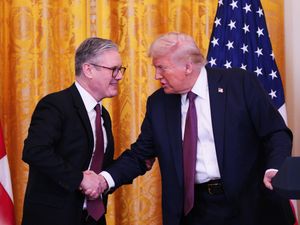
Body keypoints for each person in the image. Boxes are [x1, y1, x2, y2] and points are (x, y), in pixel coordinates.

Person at [99, 32, 293, 225]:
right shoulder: (159, 103)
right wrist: (104, 180)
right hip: (196, 211)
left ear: (187, 66)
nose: (157, 76)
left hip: (251, 206)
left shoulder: (239, 83)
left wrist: (274, 168)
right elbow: (140, 156)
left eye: (161, 68)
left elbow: (276, 133)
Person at [21, 37, 127, 225]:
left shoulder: (103, 114)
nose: (119, 76)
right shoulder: (55, 105)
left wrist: (139, 159)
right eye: (114, 69)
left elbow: (99, 166)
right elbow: (35, 151)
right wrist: (79, 179)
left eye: (120, 70)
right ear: (88, 70)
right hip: (53, 218)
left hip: (92, 218)